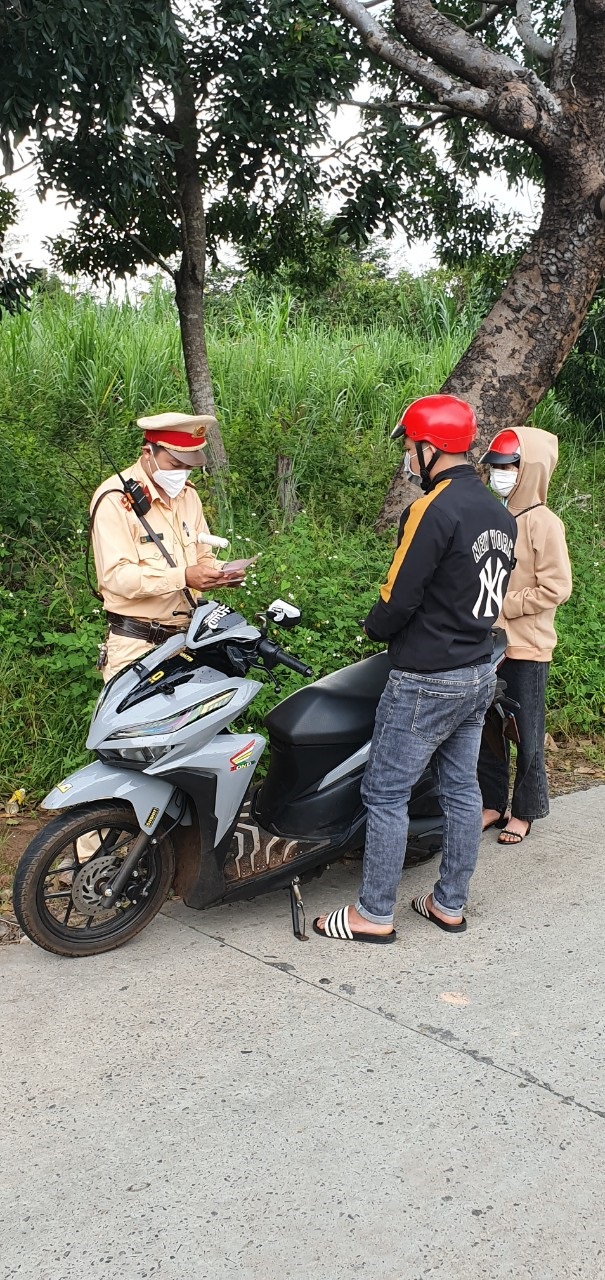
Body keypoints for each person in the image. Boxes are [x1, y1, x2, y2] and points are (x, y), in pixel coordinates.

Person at [314, 394, 517, 943]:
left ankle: (373, 914)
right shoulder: (501, 514)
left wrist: (375, 627)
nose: (407, 456)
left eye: (410, 445)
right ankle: (449, 904)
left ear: (430, 448)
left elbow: (399, 595)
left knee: (384, 794)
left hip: (426, 679)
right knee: (461, 791)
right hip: (478, 671)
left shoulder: (433, 509)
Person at [90, 412, 244, 683]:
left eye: (189, 467)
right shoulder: (115, 499)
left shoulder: (188, 495)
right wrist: (183, 576)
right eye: (174, 464)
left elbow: (202, 556)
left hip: (188, 642)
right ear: (148, 452)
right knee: (141, 725)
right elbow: (116, 577)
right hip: (137, 647)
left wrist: (222, 573)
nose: (181, 474)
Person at [478, 426, 572, 844]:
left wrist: (503, 605)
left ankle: (526, 810)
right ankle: (492, 803)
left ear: (529, 468)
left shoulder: (545, 523)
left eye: (509, 465)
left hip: (527, 647)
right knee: (485, 729)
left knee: (525, 731)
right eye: (496, 466)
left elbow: (557, 588)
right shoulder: (494, 516)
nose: (500, 473)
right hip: (486, 644)